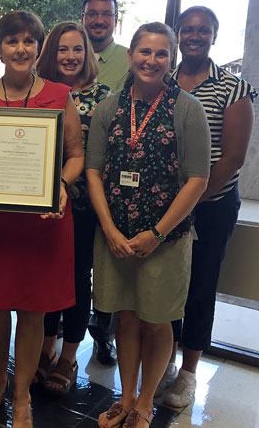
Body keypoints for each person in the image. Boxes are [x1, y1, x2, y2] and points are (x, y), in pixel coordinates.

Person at [0, 11, 84, 428]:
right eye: (12, 41)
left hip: (43, 221)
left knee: (33, 311)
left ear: (37, 48)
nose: (20, 48)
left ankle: (22, 394)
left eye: (29, 41)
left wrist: (62, 185)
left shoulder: (59, 94)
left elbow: (76, 156)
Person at [85, 22, 210, 428]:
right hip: (116, 235)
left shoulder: (187, 108)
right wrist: (109, 229)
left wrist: (156, 234)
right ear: (131, 55)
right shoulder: (111, 107)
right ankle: (126, 396)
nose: (151, 60)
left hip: (165, 239)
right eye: (145, 52)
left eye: (160, 54)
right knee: (126, 316)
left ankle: (145, 403)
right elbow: (93, 171)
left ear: (170, 59)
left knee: (157, 319)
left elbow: (198, 179)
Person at [158, 6, 256, 408]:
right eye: (188, 30)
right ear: (178, 35)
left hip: (211, 206)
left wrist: (190, 200)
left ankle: (188, 374)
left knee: (199, 286)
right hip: (165, 205)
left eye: (203, 30)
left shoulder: (233, 88)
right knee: (166, 285)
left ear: (214, 35)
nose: (194, 36)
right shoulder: (163, 81)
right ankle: (164, 357)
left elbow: (232, 158)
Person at [35, 21, 112, 395]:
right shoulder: (37, 91)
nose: (70, 56)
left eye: (77, 49)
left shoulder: (106, 97)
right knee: (46, 274)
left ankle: (68, 355)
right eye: (62, 49)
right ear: (51, 53)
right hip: (36, 201)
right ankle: (45, 348)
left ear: (88, 54)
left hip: (83, 204)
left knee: (79, 278)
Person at [80, 0, 130, 365]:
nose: (98, 20)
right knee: (80, 263)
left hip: (114, 180)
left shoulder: (130, 61)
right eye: (92, 14)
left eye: (105, 15)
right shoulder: (69, 53)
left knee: (110, 264)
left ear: (115, 19)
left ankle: (104, 334)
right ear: (84, 17)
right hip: (72, 185)